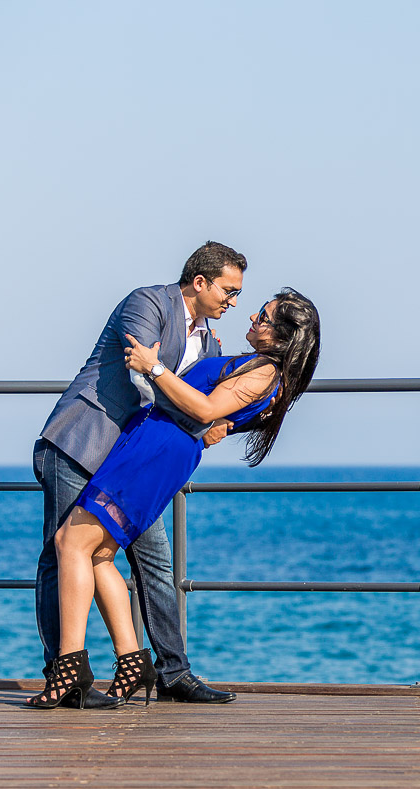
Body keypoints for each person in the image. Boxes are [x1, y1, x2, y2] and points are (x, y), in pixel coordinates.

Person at [26, 290, 321, 709]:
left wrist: (154, 367)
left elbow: (204, 410)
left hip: (155, 452)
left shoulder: (265, 374)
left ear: (283, 336)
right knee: (98, 556)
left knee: (69, 544)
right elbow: (211, 418)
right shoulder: (258, 368)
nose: (253, 315)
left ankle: (69, 667)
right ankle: (132, 661)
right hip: (154, 447)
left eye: (266, 316)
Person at [33, 241, 246, 706]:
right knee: (62, 555)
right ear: (200, 282)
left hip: (132, 465)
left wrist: (206, 417)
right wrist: (200, 413)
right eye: (229, 291)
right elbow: (143, 376)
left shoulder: (210, 343)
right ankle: (64, 677)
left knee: (154, 561)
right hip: (81, 443)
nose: (233, 302)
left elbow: (184, 394)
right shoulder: (147, 302)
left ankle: (171, 672)